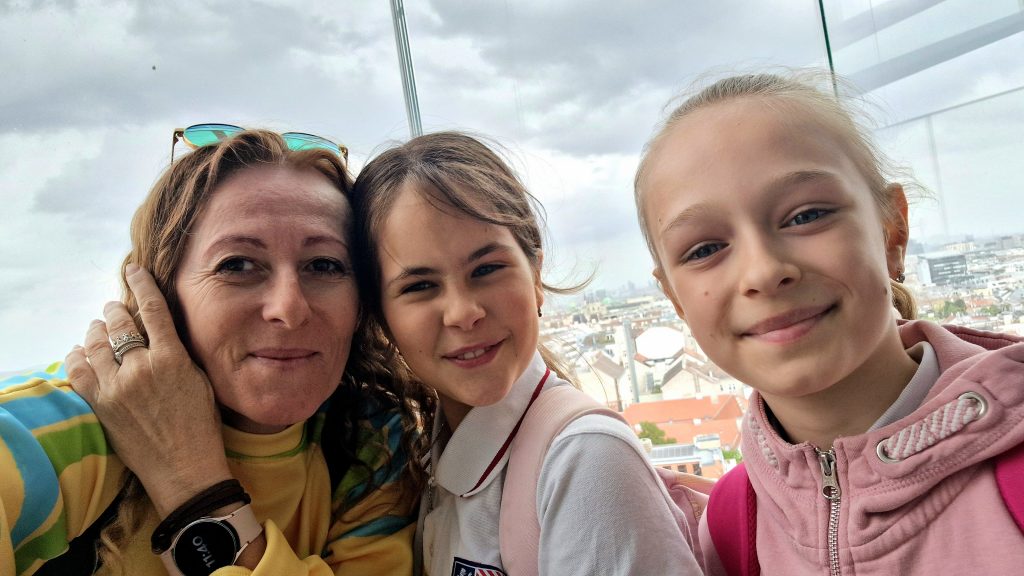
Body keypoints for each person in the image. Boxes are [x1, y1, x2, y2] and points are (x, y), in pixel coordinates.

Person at [632, 71, 1024, 574]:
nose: (764, 271)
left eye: (806, 216)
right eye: (705, 249)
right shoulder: (730, 528)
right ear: (675, 299)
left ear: (892, 232)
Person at [0, 128, 427, 575]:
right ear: (163, 291)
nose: (289, 309)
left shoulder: (371, 445)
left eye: (324, 264)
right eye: (237, 265)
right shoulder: (62, 436)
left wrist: (193, 486)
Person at [352, 131, 703, 576]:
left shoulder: (584, 459)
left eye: (487, 268)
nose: (464, 312)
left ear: (535, 275)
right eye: (420, 286)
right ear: (382, 319)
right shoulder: (426, 463)